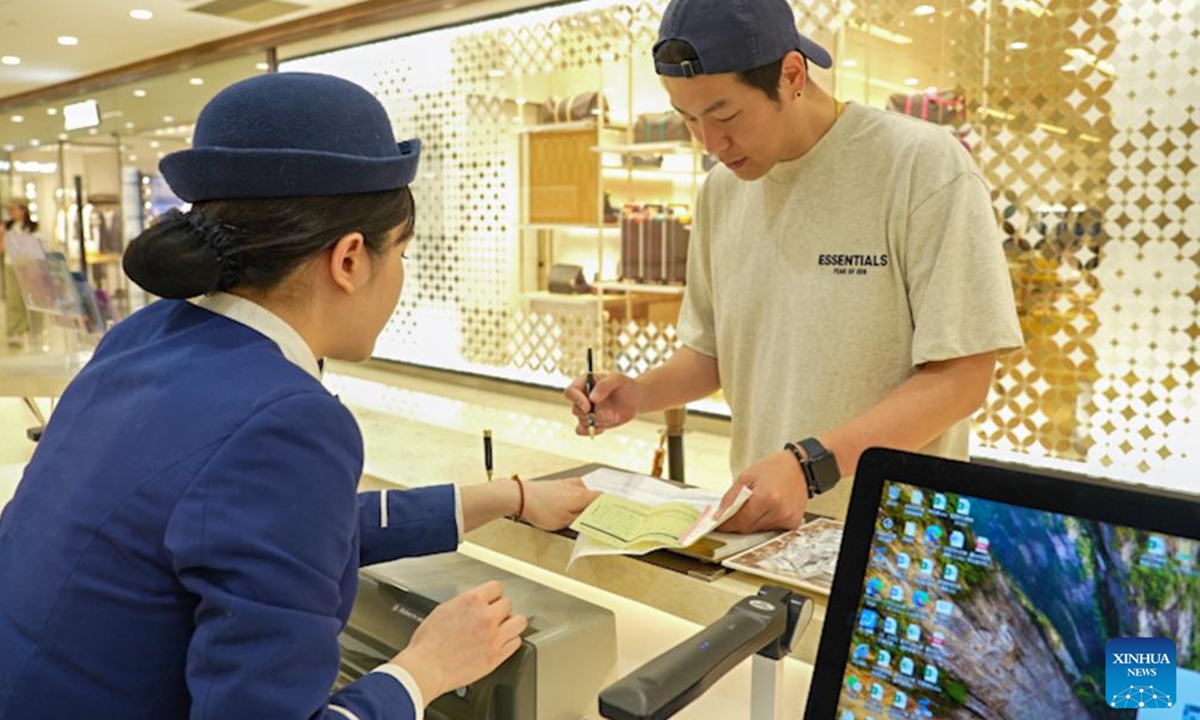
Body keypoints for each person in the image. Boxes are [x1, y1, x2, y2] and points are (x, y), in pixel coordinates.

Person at [0, 72, 599, 720]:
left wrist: (506, 497)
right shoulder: (287, 420)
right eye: (401, 252)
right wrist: (422, 672)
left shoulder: (144, 336)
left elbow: (274, 531)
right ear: (349, 259)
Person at [565, 0, 1023, 532]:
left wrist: (808, 465)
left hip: (895, 537)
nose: (710, 144)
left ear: (791, 75)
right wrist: (640, 393)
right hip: (763, 528)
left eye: (725, 116)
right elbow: (713, 353)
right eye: (688, 119)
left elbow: (963, 377)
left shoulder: (920, 165)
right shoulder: (721, 192)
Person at [2, 202, 43, 349]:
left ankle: (35, 331)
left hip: (30, 265)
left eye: (14, 209)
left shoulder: (33, 228)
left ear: (23, 210)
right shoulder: (7, 228)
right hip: (11, 265)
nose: (12, 212)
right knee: (14, 299)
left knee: (34, 298)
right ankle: (15, 331)